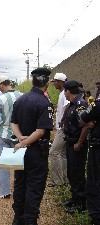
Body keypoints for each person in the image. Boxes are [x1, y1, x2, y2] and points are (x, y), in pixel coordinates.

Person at [10, 68, 54, 225]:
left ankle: (18, 218)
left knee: (20, 184)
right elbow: (41, 131)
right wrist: (24, 142)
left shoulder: (20, 100)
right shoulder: (45, 103)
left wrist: (20, 137)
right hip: (36, 151)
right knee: (34, 187)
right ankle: (30, 220)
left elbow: (13, 122)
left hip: (20, 151)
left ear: (33, 81)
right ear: (47, 84)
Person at [0, 75, 22, 198]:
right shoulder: (22, 96)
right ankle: (19, 191)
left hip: (3, 134)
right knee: (19, 164)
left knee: (4, 164)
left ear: (1, 85)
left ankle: (4, 191)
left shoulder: (1, 99)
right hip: (18, 134)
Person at [62, 80, 88, 214]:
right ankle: (74, 198)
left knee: (77, 173)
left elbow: (86, 126)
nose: (64, 94)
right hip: (70, 142)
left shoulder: (80, 105)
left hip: (77, 143)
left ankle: (81, 204)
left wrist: (79, 143)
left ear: (68, 91)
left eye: (64, 91)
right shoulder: (72, 104)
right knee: (72, 172)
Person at [80, 98, 100, 225]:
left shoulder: (97, 104)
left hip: (97, 148)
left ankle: (96, 217)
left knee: (94, 181)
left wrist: (89, 123)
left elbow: (83, 118)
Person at [48, 73, 69, 187]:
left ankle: (57, 181)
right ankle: (65, 179)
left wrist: (63, 122)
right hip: (62, 128)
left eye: (55, 81)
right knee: (62, 154)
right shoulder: (63, 93)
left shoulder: (65, 93)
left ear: (60, 82)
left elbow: (68, 107)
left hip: (63, 128)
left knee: (54, 152)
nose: (54, 84)